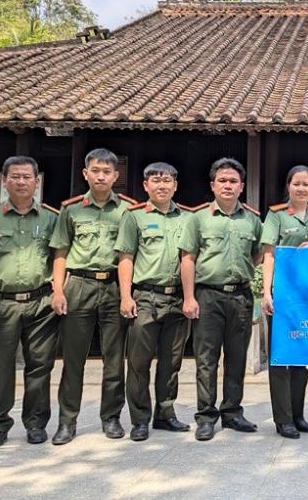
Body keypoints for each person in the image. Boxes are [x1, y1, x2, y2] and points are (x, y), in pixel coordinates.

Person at [50, 148, 136, 446]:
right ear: (85, 173)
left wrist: (126, 295)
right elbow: (60, 252)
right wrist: (58, 290)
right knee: (73, 358)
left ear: (116, 176)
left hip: (113, 286)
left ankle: (111, 417)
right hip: (79, 285)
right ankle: (67, 421)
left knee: (114, 358)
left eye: (106, 172)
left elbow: (127, 255)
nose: (101, 176)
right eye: (95, 171)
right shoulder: (71, 210)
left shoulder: (127, 210)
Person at [179, 158, 262, 442]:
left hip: (240, 296)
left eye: (233, 181)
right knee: (206, 358)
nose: (228, 185)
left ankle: (232, 412)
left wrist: (242, 272)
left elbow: (258, 253)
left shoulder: (252, 220)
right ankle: (205, 416)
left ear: (241, 186)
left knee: (237, 358)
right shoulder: (198, 219)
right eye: (222, 180)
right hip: (208, 296)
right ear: (213, 185)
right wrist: (189, 297)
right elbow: (187, 258)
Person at [115, 163, 192, 442]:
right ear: (146, 185)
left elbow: (190, 258)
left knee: (171, 362)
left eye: (167, 180)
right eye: (156, 180)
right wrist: (126, 296)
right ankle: (139, 419)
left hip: (177, 299)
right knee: (139, 362)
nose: (162, 185)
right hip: (145, 297)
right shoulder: (134, 216)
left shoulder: (188, 218)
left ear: (176, 185)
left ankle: (165, 413)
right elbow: (126, 257)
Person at [0, 157, 59, 449]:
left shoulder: (51, 218)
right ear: (4, 180)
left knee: (40, 365)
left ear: (36, 181)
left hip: (40, 302)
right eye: (15, 176)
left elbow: (59, 257)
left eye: (27, 177)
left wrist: (58, 292)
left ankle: (35, 423)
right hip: (0, 303)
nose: (21, 182)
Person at [261, 165, 308, 439]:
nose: (301, 188)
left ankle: (297, 414)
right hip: (282, 296)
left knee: (301, 356)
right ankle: (283, 419)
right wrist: (266, 292)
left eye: (306, 184)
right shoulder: (276, 216)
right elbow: (268, 254)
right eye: (296, 183)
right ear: (288, 186)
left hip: (307, 298)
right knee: (280, 357)